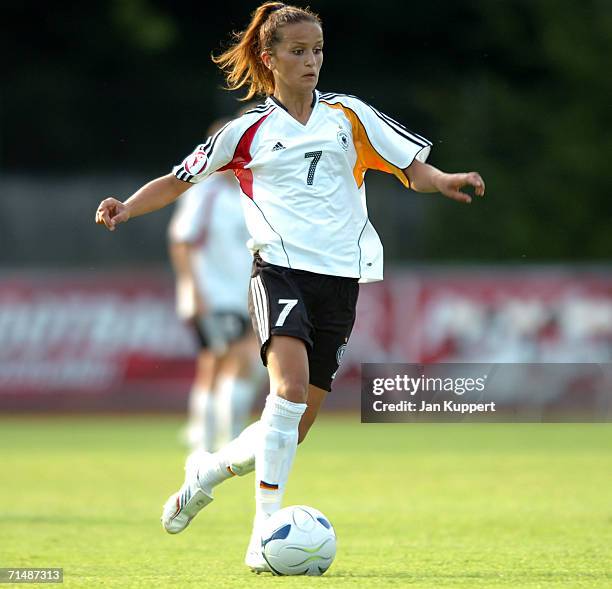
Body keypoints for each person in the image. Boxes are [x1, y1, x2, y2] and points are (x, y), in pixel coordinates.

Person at [95, 1, 485, 573]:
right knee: (289, 390)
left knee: (293, 427)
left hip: (341, 281)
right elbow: (178, 179)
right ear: (269, 57)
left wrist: (444, 179)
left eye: (318, 50)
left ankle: (206, 471)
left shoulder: (349, 116)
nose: (311, 61)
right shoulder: (245, 132)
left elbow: (410, 168)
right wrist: (126, 208)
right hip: (278, 271)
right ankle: (262, 534)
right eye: (298, 51)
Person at [168, 117, 264, 452]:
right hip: (214, 294)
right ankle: (219, 441)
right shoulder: (203, 192)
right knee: (230, 359)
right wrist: (194, 291)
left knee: (225, 362)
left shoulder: (244, 191)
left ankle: (206, 437)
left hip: (242, 294)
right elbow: (182, 241)